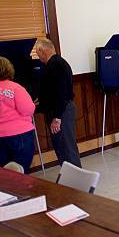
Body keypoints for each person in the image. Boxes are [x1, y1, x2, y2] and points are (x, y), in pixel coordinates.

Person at [35, 38, 82, 168]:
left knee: (67, 149)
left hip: (62, 112)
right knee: (62, 148)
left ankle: (76, 183)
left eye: (38, 54)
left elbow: (60, 93)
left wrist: (57, 118)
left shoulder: (55, 65)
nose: (38, 57)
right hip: (61, 110)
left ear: (42, 50)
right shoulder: (57, 63)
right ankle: (69, 179)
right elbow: (53, 91)